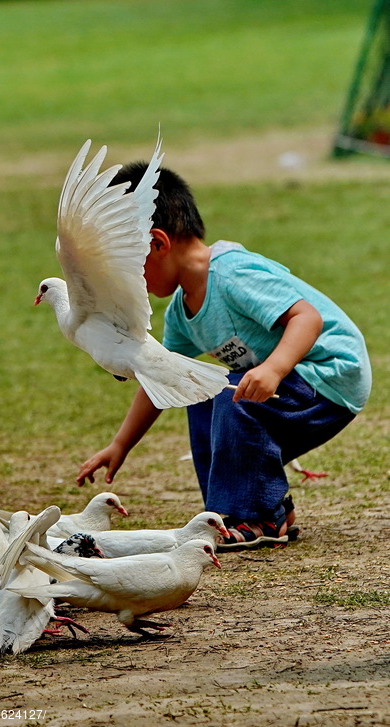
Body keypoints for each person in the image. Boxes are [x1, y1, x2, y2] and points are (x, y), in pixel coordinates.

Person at [76, 163, 371, 549]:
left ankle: (259, 515)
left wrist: (273, 368)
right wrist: (121, 444)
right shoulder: (182, 311)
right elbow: (162, 378)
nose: (123, 282)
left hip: (329, 376)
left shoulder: (232, 274)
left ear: (158, 243)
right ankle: (249, 509)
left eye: (124, 267)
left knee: (229, 392)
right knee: (201, 390)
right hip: (288, 385)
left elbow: (307, 318)